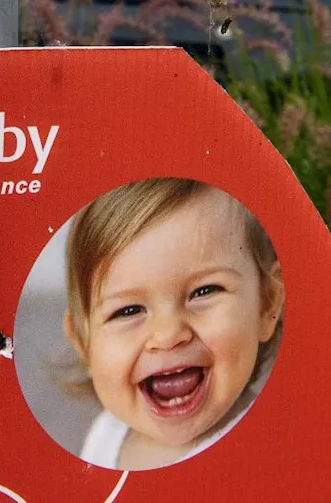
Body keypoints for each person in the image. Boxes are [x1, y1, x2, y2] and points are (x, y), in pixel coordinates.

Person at [60, 178, 285, 471]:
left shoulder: (268, 452)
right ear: (83, 342)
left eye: (204, 292)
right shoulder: (106, 436)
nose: (168, 335)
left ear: (266, 304)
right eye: (128, 310)